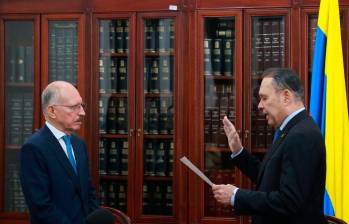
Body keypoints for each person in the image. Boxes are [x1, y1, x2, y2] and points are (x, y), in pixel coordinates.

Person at [212, 68, 327, 224]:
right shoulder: (291, 129)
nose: (259, 105)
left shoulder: (301, 135)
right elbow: (269, 177)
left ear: (286, 96)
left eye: (264, 98)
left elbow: (289, 201)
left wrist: (236, 196)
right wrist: (239, 152)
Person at [20, 81, 99, 224]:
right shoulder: (33, 148)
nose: (82, 112)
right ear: (52, 111)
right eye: (74, 107)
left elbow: (88, 192)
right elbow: (41, 206)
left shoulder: (79, 144)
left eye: (82, 106)